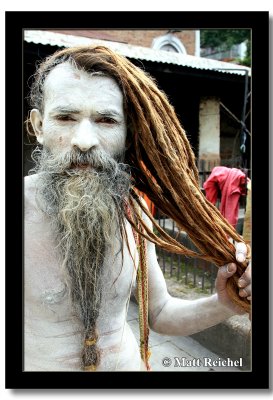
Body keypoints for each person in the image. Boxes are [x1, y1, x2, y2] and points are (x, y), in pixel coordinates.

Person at [24, 45, 251, 372]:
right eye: (65, 117)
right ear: (40, 126)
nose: (84, 140)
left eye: (105, 119)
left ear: (127, 132)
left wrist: (226, 303)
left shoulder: (134, 213)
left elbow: (159, 313)